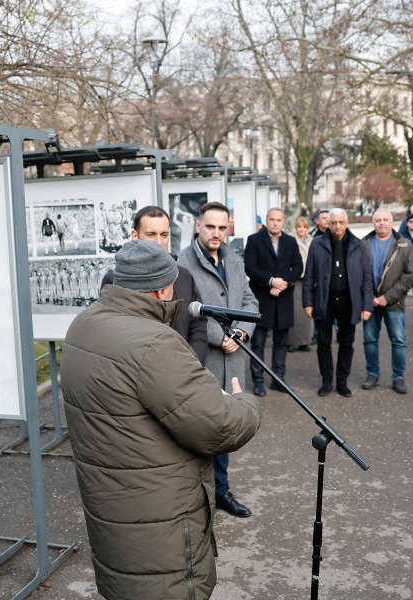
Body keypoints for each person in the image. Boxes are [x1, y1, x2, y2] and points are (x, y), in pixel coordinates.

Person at [61, 240, 260, 600]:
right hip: (161, 522)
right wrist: (244, 401)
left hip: (114, 511)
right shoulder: (153, 342)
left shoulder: (84, 325)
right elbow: (219, 425)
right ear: (162, 288)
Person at [178, 201, 259, 519]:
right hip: (203, 358)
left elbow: (250, 299)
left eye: (222, 228)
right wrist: (218, 337)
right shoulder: (183, 263)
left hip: (234, 355)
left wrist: (241, 333)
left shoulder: (234, 260)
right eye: (210, 226)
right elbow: (185, 307)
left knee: (226, 427)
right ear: (198, 225)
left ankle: (221, 491)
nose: (216, 233)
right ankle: (198, 497)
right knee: (201, 429)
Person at [100, 205, 208, 363]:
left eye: (164, 235)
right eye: (151, 234)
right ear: (134, 235)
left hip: (185, 372)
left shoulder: (184, 276)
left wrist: (192, 365)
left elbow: (198, 325)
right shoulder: (114, 280)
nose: (159, 242)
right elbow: (112, 335)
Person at [303, 208, 373, 398]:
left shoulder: (358, 245)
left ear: (347, 222)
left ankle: (342, 382)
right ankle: (326, 381)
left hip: (349, 301)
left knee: (346, 343)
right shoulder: (317, 244)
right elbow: (309, 275)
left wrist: (367, 306)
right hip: (324, 299)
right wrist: (307, 302)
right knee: (323, 343)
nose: (337, 226)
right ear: (328, 223)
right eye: (333, 223)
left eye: (341, 222)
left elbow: (367, 278)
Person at [243, 207, 303, 396]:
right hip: (262, 299)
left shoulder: (290, 241)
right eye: (272, 219)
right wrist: (270, 281)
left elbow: (298, 265)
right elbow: (250, 268)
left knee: (281, 343)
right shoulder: (254, 240)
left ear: (283, 222)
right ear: (266, 221)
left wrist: (284, 283)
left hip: (283, 299)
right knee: (258, 343)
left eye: (278, 220)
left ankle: (278, 380)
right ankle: (258, 381)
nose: (275, 223)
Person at [362, 209, 413, 394]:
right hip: (370, 301)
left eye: (385, 220)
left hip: (394, 302)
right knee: (369, 340)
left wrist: (387, 297)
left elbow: (409, 275)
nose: (382, 223)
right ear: (373, 223)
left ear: (392, 222)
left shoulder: (404, 245)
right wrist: (368, 297)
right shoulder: (364, 244)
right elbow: (358, 273)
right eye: (378, 220)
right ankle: (372, 374)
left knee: (398, 341)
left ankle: (398, 378)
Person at [286, 216, 314, 351]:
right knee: (295, 312)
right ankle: (292, 342)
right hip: (295, 278)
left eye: (304, 227)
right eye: (299, 227)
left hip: (308, 278)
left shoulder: (311, 240)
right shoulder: (290, 239)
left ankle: (305, 341)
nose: (301, 229)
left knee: (307, 312)